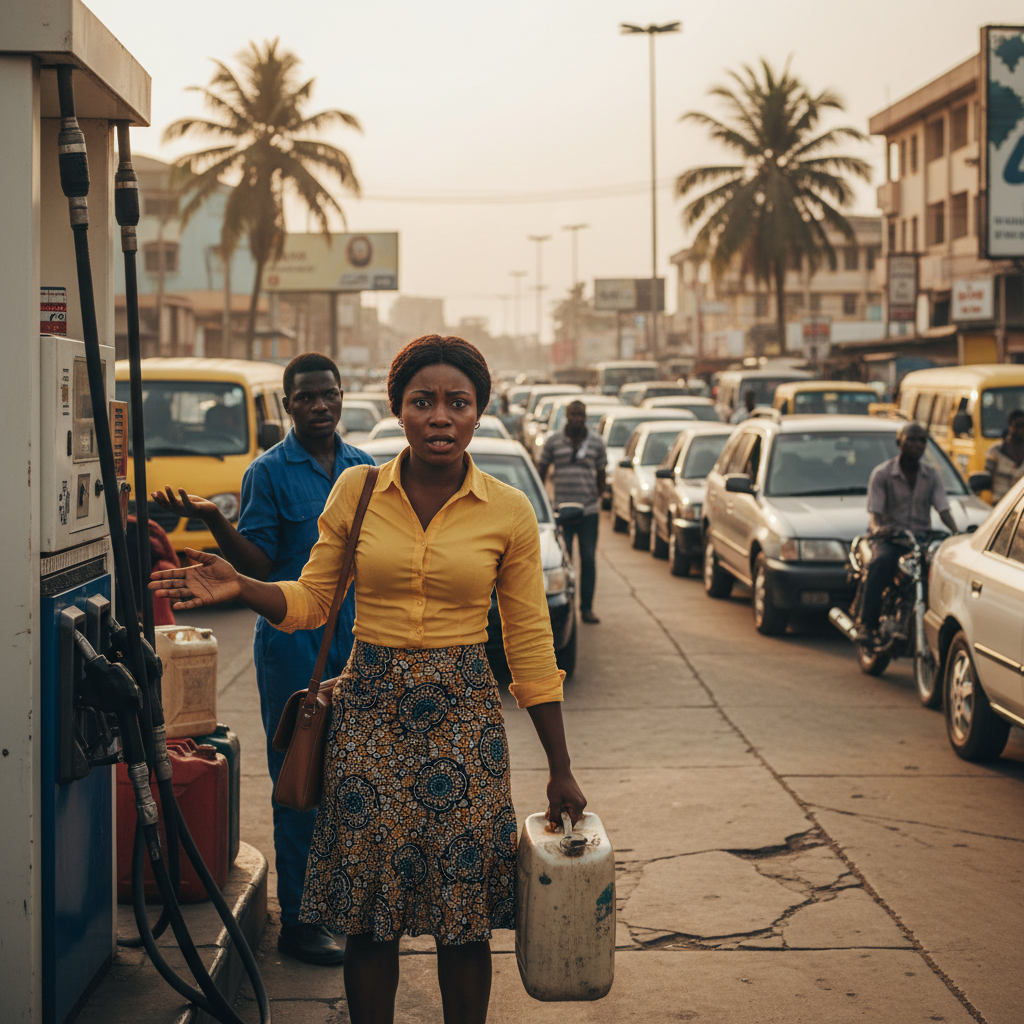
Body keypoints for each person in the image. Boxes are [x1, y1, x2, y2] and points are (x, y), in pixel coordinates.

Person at [150, 334, 586, 1024]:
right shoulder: (359, 490)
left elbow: (530, 642)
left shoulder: (506, 510)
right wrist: (244, 586)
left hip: (465, 722)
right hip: (368, 715)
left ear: (478, 413)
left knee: (463, 917)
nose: (440, 416)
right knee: (368, 913)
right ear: (399, 410)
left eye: (457, 402)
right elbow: (312, 602)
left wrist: (560, 765)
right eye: (423, 401)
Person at [150, 352, 375, 967]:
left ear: (341, 395)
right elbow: (255, 565)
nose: (320, 405)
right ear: (288, 405)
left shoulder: (365, 470)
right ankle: (302, 923)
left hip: (361, 638)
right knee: (300, 777)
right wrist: (215, 523)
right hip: (292, 642)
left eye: (329, 394)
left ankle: (342, 905)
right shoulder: (268, 473)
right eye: (306, 397)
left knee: (353, 777)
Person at [858, 421, 959, 642]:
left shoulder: (931, 475)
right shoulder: (882, 474)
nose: (917, 444)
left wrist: (956, 533)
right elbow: (875, 513)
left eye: (922, 440)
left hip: (920, 539)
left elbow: (943, 508)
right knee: (881, 563)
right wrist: (879, 529)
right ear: (899, 442)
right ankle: (867, 625)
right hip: (890, 539)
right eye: (912, 439)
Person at [537, 399, 606, 624]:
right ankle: (564, 609)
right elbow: (542, 468)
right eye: (573, 415)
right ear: (567, 417)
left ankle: (587, 608)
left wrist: (597, 496)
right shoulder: (554, 441)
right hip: (563, 511)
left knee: (588, 560)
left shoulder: (596, 442)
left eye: (581, 415)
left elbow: (601, 473)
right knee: (564, 562)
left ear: (585, 417)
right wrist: (543, 500)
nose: (577, 419)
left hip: (588, 512)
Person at [985, 408, 1024, 502]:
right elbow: (986, 479)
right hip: (1000, 504)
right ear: (1010, 426)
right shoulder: (995, 452)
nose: (1022, 430)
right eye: (1019, 426)